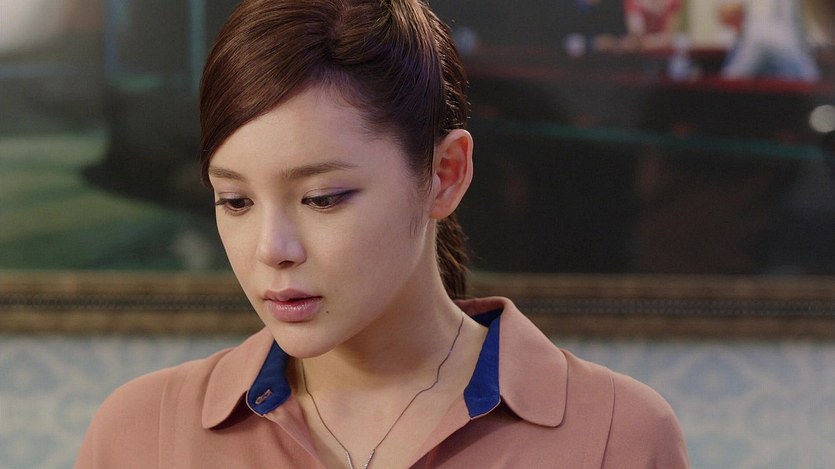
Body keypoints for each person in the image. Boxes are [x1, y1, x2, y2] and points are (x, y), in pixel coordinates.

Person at [75, 1, 690, 467]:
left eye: (322, 198)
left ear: (444, 174)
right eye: (235, 201)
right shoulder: (141, 437)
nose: (272, 250)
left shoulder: (618, 436)